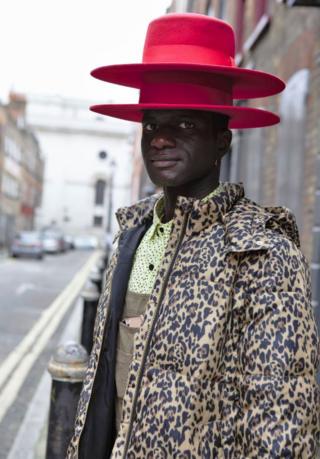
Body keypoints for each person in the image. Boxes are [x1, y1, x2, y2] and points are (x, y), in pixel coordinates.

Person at [67, 13, 320, 458]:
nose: (160, 140)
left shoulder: (261, 250)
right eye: (152, 125)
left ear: (222, 140)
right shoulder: (133, 233)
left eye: (184, 125)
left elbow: (283, 419)